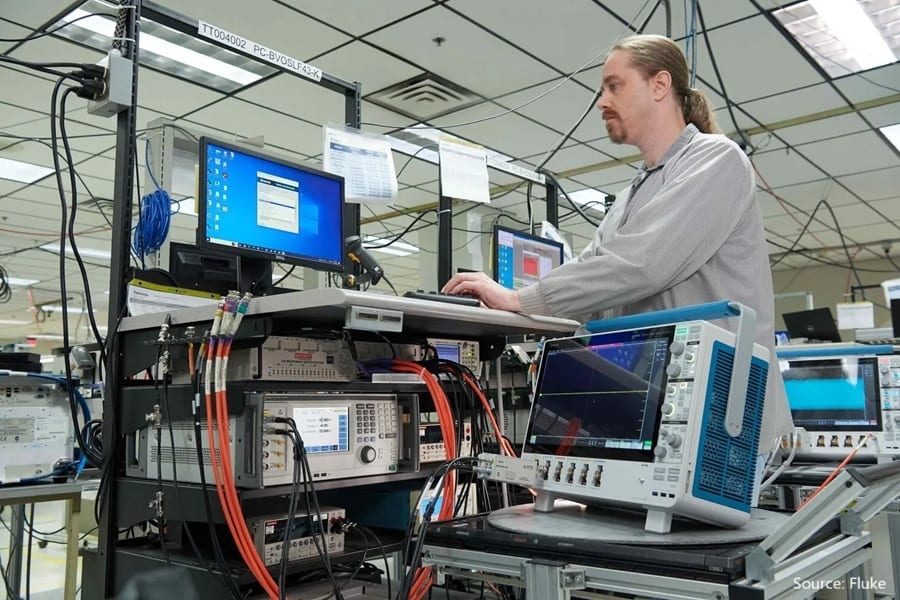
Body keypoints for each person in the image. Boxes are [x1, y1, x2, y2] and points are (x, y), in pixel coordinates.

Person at [442, 34, 792, 454]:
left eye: (615, 85)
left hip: (722, 414)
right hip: (661, 410)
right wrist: (498, 311)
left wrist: (519, 298)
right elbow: (594, 273)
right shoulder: (632, 194)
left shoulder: (716, 160)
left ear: (659, 85)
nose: (602, 101)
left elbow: (642, 264)